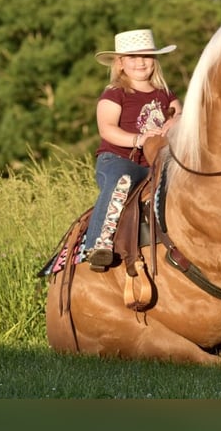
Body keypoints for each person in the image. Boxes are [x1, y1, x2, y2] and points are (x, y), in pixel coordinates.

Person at [82, 28, 182, 268]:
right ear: (120, 64)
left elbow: (181, 114)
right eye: (133, 57)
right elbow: (107, 128)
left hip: (157, 162)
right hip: (120, 159)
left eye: (147, 57)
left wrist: (176, 122)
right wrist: (139, 139)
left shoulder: (165, 93)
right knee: (122, 180)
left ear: (154, 61)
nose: (141, 62)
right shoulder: (115, 93)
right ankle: (98, 244)